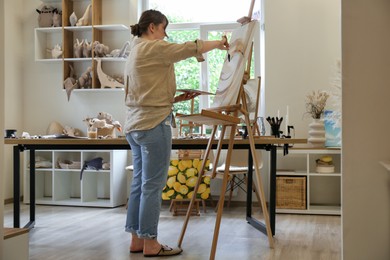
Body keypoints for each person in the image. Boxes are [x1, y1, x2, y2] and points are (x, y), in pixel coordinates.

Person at [123, 9, 229, 257]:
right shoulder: (153, 47)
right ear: (152, 27)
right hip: (153, 125)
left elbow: (145, 91)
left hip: (135, 125)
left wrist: (178, 98)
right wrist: (221, 43)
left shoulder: (134, 50)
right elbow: (190, 48)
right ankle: (151, 243)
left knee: (140, 184)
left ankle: (137, 240)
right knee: (152, 186)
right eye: (163, 29)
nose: (164, 35)